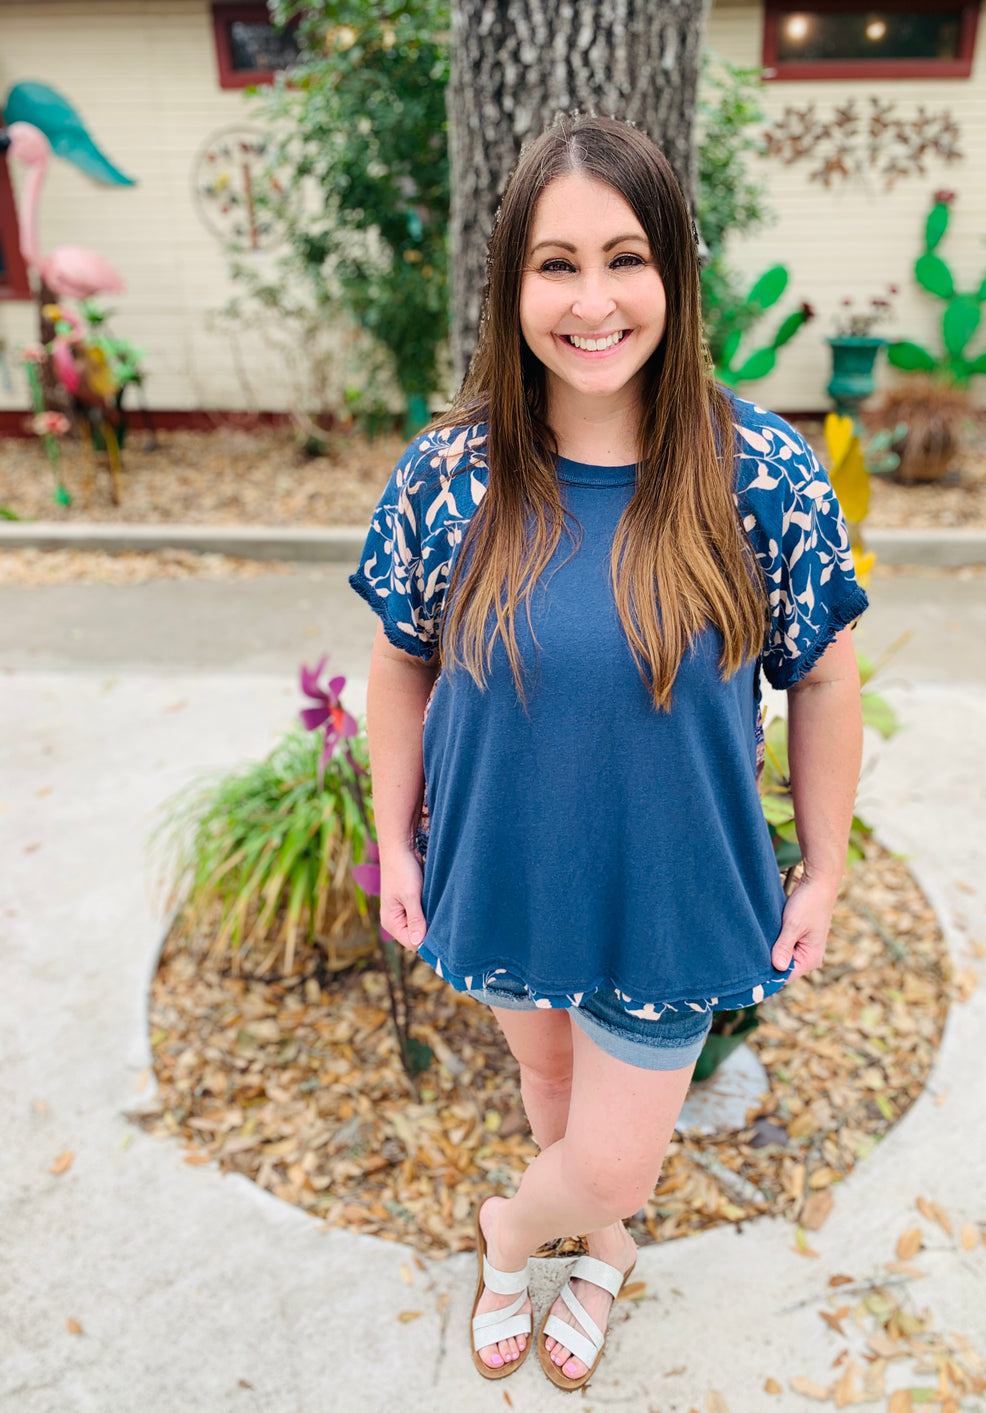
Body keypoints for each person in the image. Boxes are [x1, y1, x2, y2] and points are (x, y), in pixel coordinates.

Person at [350, 113, 867, 1389]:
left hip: (674, 887)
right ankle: (599, 1252)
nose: (592, 301)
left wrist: (824, 863)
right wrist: (392, 841)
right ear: (511, 286)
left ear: (675, 273)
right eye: (554, 263)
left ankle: (518, 1232)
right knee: (553, 1092)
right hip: (505, 866)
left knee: (615, 1152)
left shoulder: (764, 477)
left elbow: (826, 671)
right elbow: (401, 660)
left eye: (625, 257)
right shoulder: (448, 475)